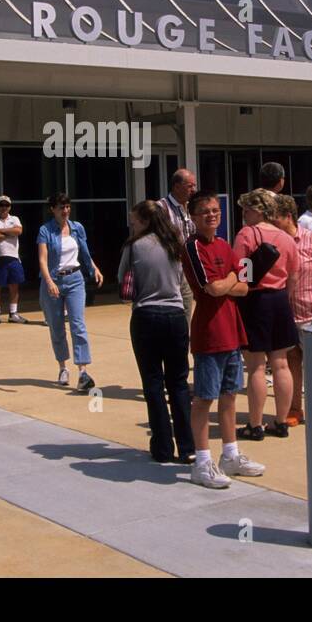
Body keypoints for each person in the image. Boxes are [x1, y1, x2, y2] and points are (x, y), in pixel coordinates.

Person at [182, 192, 264, 488]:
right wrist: (230, 279)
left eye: (215, 210)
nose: (211, 215)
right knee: (204, 398)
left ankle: (230, 454)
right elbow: (213, 288)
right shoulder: (192, 246)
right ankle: (202, 462)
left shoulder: (224, 244)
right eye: (204, 211)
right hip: (209, 333)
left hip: (232, 330)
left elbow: (245, 287)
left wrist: (229, 280)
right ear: (192, 216)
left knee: (229, 396)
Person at [119, 200, 193, 464]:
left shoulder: (134, 246)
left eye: (135, 220)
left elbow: (123, 281)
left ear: (144, 221)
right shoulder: (176, 244)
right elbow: (184, 282)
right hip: (175, 315)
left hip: (146, 315)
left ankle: (162, 446)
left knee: (153, 383)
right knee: (179, 384)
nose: (132, 224)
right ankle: (188, 447)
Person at [232, 189, 300, 439]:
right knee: (281, 363)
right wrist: (286, 297)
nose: (244, 214)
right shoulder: (285, 237)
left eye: (246, 209)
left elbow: (241, 273)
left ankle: (255, 424)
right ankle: (281, 422)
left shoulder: (247, 234)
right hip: (280, 299)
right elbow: (294, 274)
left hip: (255, 300)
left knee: (256, 366)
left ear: (258, 210)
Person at [272, 194, 312, 426]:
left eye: (275, 218)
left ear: (287, 216)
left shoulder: (311, 239)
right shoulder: (274, 242)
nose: (271, 224)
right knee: (292, 361)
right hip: (287, 314)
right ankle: (295, 408)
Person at [37, 193, 103, 391]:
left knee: (78, 324)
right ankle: (63, 367)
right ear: (52, 209)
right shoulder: (45, 230)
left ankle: (82, 371)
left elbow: (84, 252)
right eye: (61, 207)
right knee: (57, 327)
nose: (65, 211)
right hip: (54, 280)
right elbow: (42, 259)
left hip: (75, 279)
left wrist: (94, 268)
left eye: (67, 207)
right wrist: (49, 281)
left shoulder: (77, 228)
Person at [159, 168, 198, 319]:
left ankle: (183, 342)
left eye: (194, 185)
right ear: (176, 186)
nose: (194, 190)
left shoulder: (192, 208)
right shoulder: (161, 208)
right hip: (168, 273)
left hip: (187, 273)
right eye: (190, 186)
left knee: (186, 315)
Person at [0, 195, 26, 324]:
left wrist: (1, 231)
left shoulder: (14, 218)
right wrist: (9, 233)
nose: (4, 208)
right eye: (1, 205)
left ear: (9, 207)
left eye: (6, 205)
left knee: (14, 285)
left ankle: (13, 313)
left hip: (14, 257)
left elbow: (19, 231)